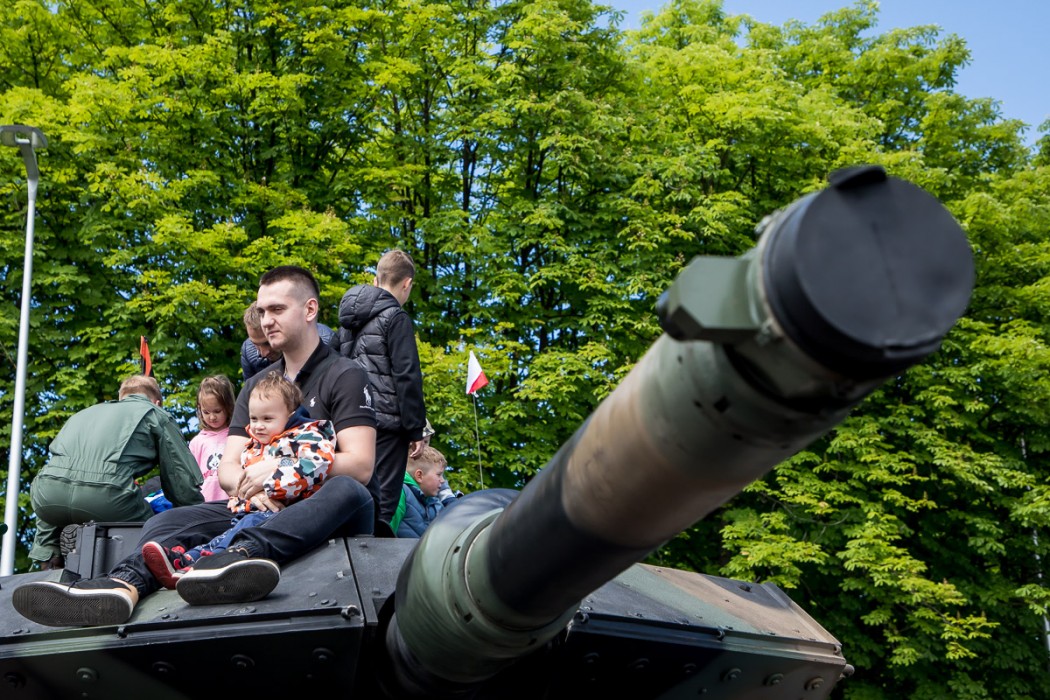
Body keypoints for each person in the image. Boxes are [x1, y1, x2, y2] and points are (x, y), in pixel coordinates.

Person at [13, 265, 377, 626]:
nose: (267, 321)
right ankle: (125, 584)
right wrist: (254, 485)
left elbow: (360, 465)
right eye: (262, 311)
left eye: (277, 309)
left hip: (326, 506)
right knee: (169, 518)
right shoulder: (256, 386)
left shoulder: (345, 374)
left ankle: (238, 558)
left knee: (347, 489)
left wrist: (281, 469)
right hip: (257, 505)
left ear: (310, 309)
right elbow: (228, 468)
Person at [143, 371, 335, 588]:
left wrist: (271, 481)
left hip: (286, 510)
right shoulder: (255, 447)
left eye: (267, 419)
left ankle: (207, 562)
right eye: (254, 419)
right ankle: (186, 560)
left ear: (290, 416)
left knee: (240, 532)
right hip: (252, 509)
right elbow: (243, 478)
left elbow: (318, 462)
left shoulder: (305, 436)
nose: (258, 425)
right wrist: (246, 495)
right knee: (227, 534)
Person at [26, 375, 205, 570]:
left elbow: (60, 471)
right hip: (107, 495)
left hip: (47, 496)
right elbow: (180, 480)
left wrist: (45, 548)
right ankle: (136, 571)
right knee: (158, 532)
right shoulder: (155, 413)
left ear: (121, 397)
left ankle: (49, 561)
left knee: (57, 482)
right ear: (157, 402)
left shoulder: (85, 413)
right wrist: (199, 522)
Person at [338, 249, 427, 534]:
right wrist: (416, 428)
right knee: (384, 505)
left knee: (355, 495)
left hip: (351, 421)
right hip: (388, 423)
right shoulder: (396, 317)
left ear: (376, 280)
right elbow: (407, 374)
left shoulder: (348, 321)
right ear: (407, 284)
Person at [241, 300, 336, 381]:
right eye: (256, 345)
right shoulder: (248, 351)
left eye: (267, 343)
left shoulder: (325, 342)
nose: (263, 353)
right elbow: (250, 394)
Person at [188, 374, 236, 502]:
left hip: (232, 500)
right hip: (205, 502)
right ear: (200, 410)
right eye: (206, 412)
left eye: (217, 411)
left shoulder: (236, 436)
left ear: (228, 407)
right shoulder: (197, 442)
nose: (212, 417)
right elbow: (191, 478)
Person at [393, 445, 459, 538]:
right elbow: (384, 536)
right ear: (419, 476)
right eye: (439, 475)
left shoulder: (435, 502)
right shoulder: (399, 493)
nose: (443, 481)